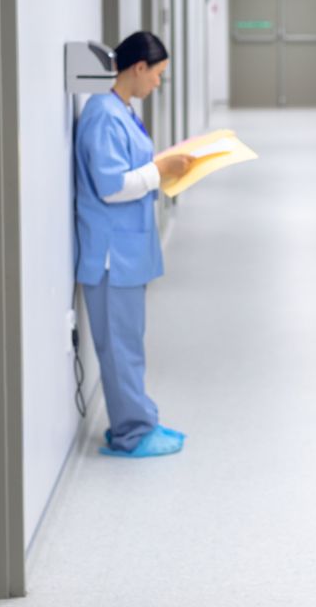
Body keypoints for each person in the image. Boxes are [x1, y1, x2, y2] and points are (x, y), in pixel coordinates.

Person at [74, 31, 194, 458]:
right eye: (157, 75)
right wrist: (160, 170)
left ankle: (138, 420)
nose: (157, 84)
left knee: (127, 343)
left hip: (125, 252)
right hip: (111, 257)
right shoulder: (104, 114)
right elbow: (110, 186)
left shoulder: (119, 110)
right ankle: (132, 433)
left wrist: (161, 169)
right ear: (137, 68)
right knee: (121, 348)